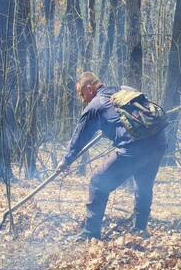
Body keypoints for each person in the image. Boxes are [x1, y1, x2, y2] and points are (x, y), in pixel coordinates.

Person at [55, 71, 167, 240]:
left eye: (81, 93)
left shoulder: (95, 105)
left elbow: (80, 137)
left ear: (90, 88)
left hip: (134, 147)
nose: (82, 98)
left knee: (98, 181)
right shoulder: (124, 89)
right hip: (158, 142)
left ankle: (90, 233)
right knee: (143, 185)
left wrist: (66, 160)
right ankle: (139, 230)